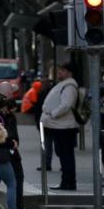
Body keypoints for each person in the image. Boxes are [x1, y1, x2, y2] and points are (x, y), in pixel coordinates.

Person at [40, 62, 80, 190]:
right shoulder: (65, 85)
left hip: (64, 127)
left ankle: (68, 182)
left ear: (69, 72)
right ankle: (66, 181)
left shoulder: (70, 86)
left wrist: (53, 114)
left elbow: (66, 105)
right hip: (60, 126)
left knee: (66, 155)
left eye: (62, 70)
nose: (59, 73)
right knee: (63, 155)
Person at [0, 98, 27, 209]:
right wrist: (12, 143)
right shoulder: (2, 118)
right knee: (12, 182)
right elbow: (6, 137)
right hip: (5, 155)